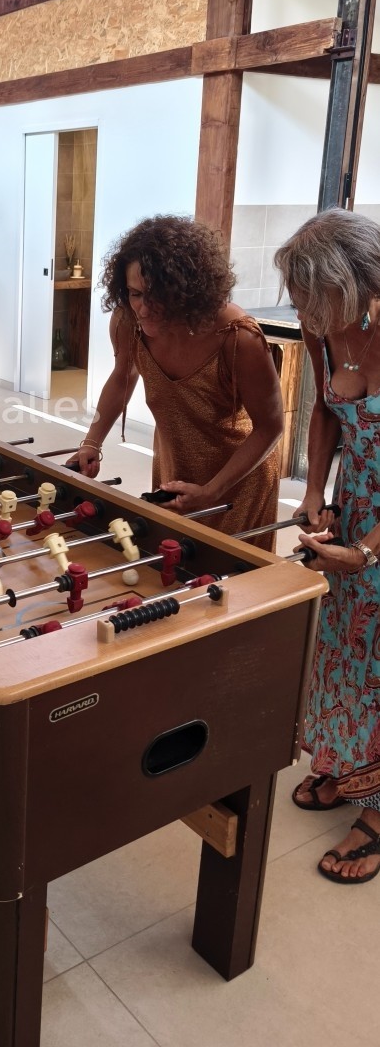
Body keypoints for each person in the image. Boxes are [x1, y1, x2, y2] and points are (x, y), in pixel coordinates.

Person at [275, 208, 380, 884]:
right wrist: (315, 495)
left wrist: (368, 550)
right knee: (346, 644)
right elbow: (323, 411)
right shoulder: (324, 336)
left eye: (311, 301)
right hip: (359, 507)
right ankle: (350, 764)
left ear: (356, 287)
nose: (302, 315)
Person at [70, 215, 283, 548]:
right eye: (135, 293)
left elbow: (271, 427)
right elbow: (122, 377)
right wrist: (91, 442)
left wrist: (212, 491)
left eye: (157, 297)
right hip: (176, 466)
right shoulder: (129, 321)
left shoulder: (238, 337)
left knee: (233, 583)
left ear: (187, 292)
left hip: (238, 482)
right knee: (175, 566)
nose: (143, 308)